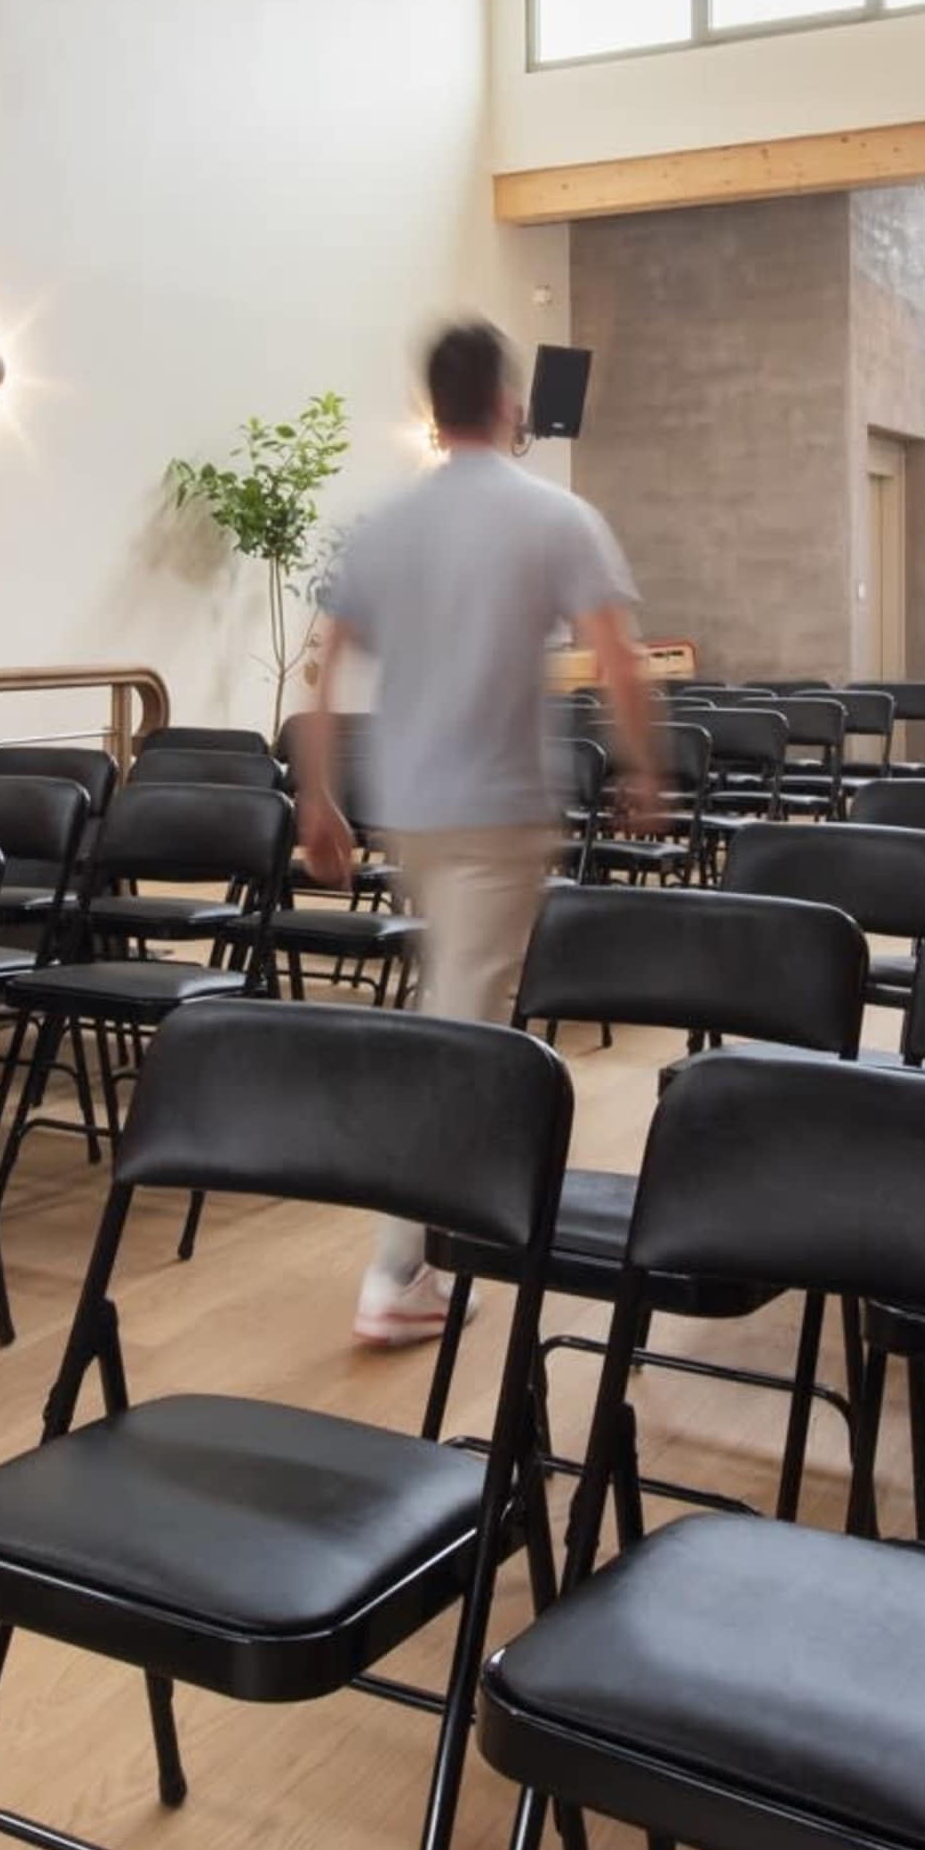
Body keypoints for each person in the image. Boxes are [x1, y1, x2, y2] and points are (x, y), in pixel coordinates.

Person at [296, 322, 658, 1349]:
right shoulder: (554, 515)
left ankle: (429, 1238)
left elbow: (324, 671)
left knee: (451, 1004)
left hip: (407, 805)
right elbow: (619, 660)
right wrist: (644, 769)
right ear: (510, 402)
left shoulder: (386, 522)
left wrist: (316, 799)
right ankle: (398, 1268)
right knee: (460, 1029)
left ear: (436, 405)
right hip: (496, 809)